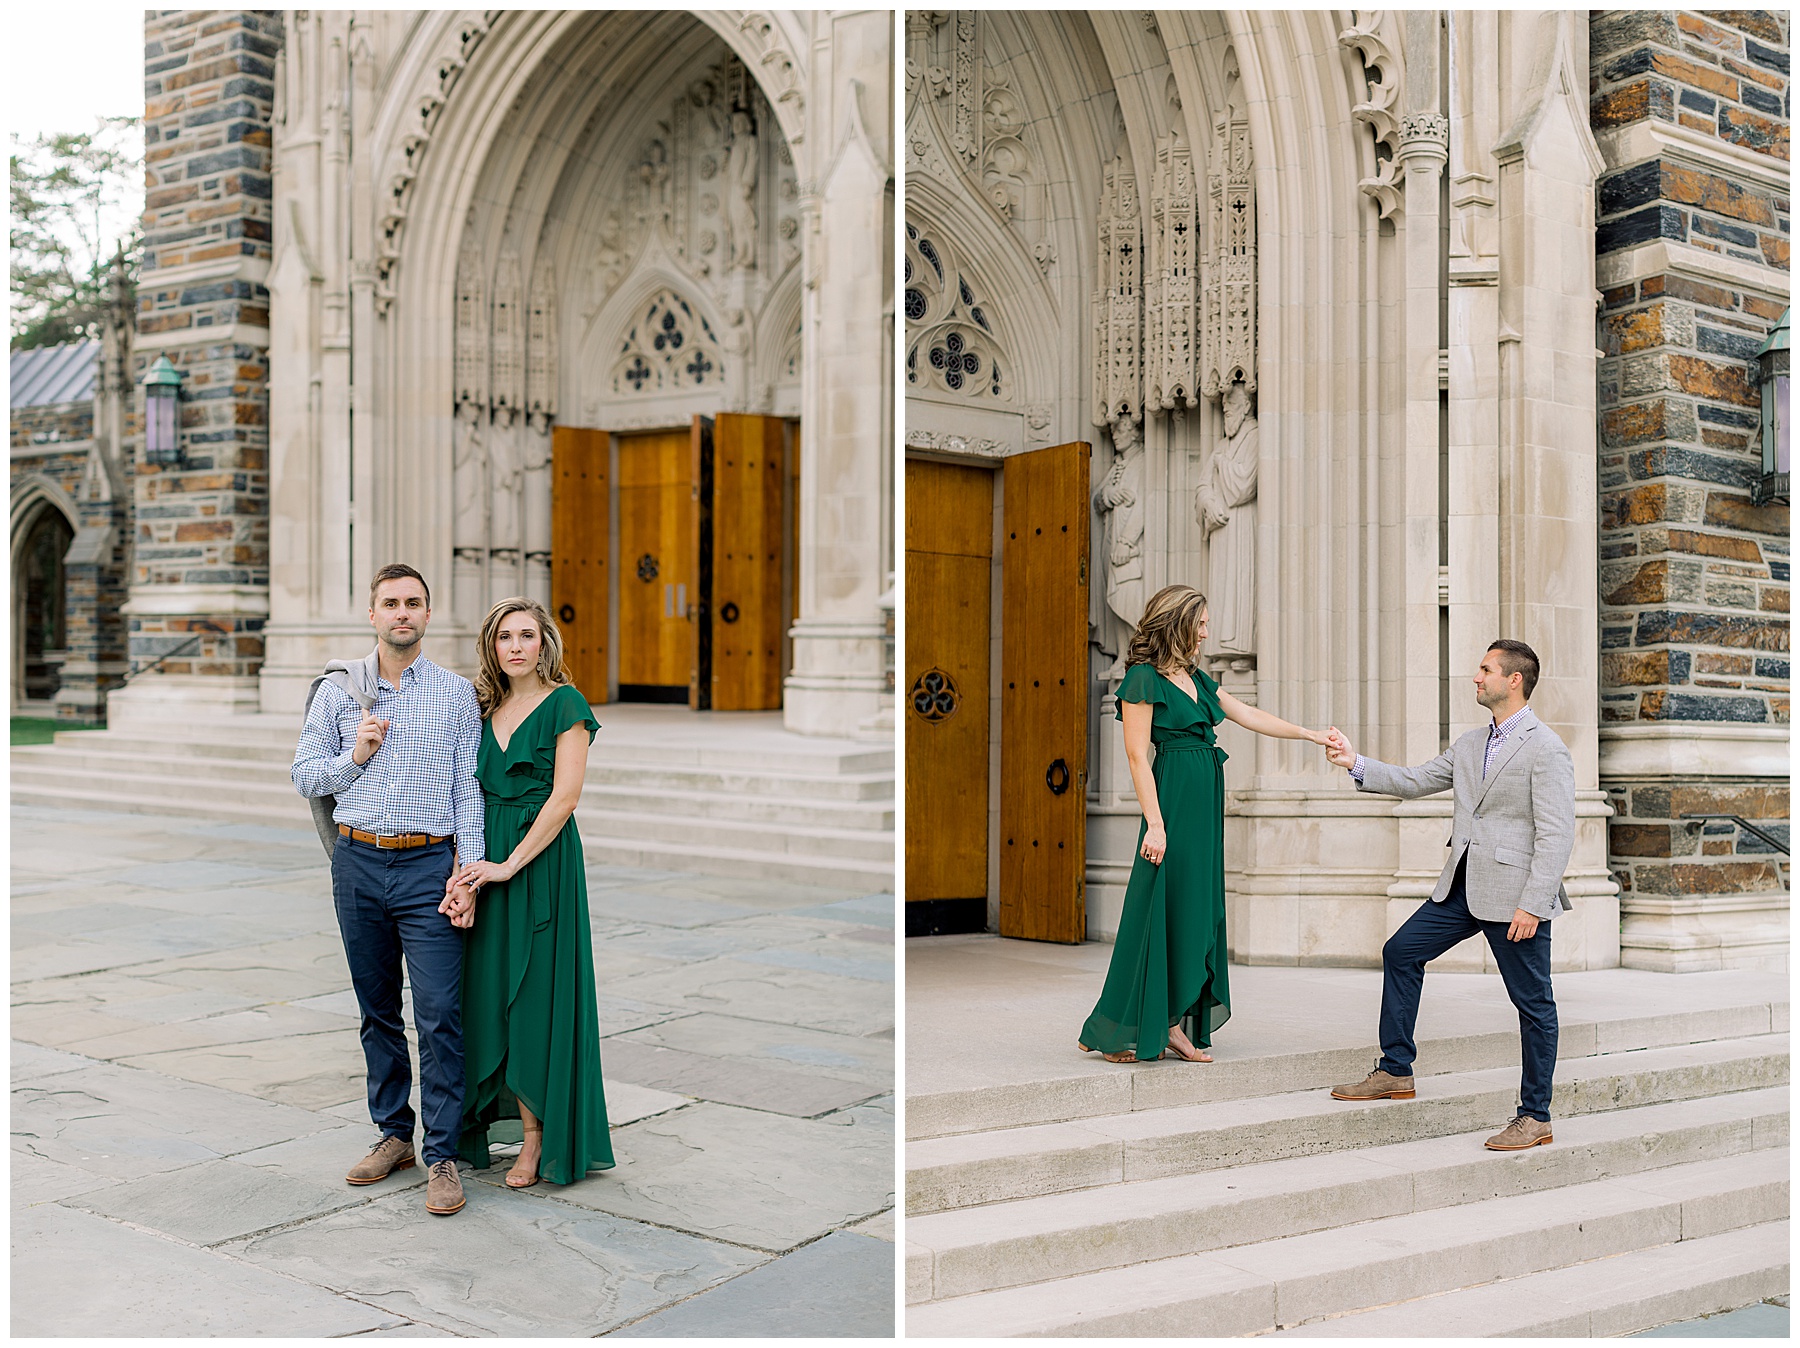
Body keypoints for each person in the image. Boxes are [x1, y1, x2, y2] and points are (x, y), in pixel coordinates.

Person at [1325, 639, 1574, 1152]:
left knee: (1533, 1004)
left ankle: (1536, 1116)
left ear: (1514, 680)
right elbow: (1415, 781)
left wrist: (1533, 902)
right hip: (1462, 886)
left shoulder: (1547, 748)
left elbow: (1557, 833)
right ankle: (1396, 1070)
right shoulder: (1467, 745)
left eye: (1485, 670)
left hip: (1514, 898)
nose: (1475, 677)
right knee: (1401, 951)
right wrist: (1356, 763)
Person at [292, 564, 482, 1216]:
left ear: (427, 615)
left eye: (414, 603)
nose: (403, 613)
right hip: (359, 865)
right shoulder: (339, 692)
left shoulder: (456, 696)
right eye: (391, 603)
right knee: (376, 1010)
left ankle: (443, 1156)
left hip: (429, 867)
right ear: (372, 614)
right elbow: (304, 774)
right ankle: (393, 1135)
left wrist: (470, 874)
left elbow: (467, 793)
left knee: (438, 1015)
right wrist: (357, 756)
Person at [1078, 585, 1332, 1064]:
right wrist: (1155, 824)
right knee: (1159, 907)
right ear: (1177, 624)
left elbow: (1249, 714)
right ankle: (1142, 1024)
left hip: (1204, 801)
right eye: (1200, 623)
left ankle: (1170, 1021)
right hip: (1172, 802)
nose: (1207, 632)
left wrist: (1310, 735)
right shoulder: (1141, 679)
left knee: (1196, 909)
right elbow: (1136, 756)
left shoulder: (1196, 678)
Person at [451, 597, 614, 1187]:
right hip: (485, 859)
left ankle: (538, 1140)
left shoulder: (565, 705)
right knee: (488, 995)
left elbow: (565, 797)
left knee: (535, 998)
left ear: (546, 643)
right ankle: (485, 1125)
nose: (516, 646)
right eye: (503, 637)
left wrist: (507, 866)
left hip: (539, 865)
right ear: (491, 648)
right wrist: (468, 869)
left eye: (527, 635)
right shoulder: (482, 707)